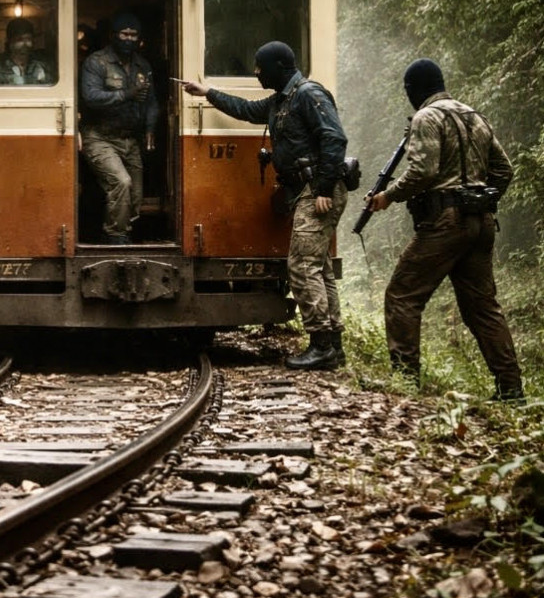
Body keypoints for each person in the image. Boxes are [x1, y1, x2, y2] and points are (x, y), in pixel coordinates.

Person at [181, 41, 349, 370]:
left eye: (260, 67)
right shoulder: (281, 101)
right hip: (306, 189)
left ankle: (321, 345)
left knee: (302, 266)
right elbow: (246, 109)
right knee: (321, 267)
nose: (256, 72)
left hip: (317, 190)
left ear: (278, 67)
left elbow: (334, 138)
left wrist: (324, 188)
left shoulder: (308, 94)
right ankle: (333, 345)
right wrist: (207, 93)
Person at [365, 58, 523, 401]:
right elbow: (504, 170)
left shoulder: (427, 117)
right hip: (481, 223)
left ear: (413, 90)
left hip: (444, 222)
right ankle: (512, 390)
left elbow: (423, 171)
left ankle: (406, 384)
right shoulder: (474, 116)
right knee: (482, 307)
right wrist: (480, 199)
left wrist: (388, 196)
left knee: (402, 295)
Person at [79, 11, 159, 244]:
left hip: (129, 138)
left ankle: (122, 232)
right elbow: (91, 97)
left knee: (135, 195)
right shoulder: (96, 62)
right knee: (120, 182)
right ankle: (116, 238)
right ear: (113, 35)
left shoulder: (142, 65)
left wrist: (150, 130)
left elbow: (152, 101)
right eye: (124, 34)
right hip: (99, 136)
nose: (129, 39)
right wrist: (127, 94)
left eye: (134, 35)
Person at [0, 18, 51, 85]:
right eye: (19, 40)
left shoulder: (40, 66)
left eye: (28, 39)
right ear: (10, 42)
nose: (25, 44)